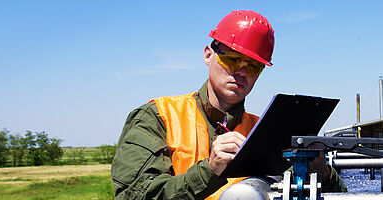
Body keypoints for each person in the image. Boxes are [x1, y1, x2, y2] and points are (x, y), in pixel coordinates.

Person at [111, 10, 345, 200]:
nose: (241, 72)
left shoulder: (264, 132)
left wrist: (320, 172)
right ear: (208, 55)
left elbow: (343, 195)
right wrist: (210, 170)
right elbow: (133, 196)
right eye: (232, 59)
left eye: (253, 66)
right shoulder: (157, 117)